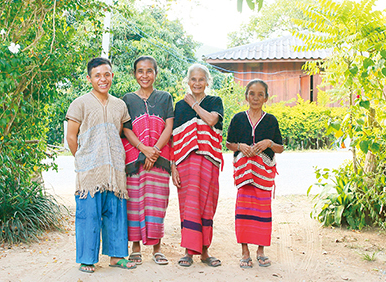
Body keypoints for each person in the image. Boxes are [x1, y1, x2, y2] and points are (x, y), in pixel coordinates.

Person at [65, 57, 137, 273]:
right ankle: (87, 259)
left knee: (115, 213)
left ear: (112, 76)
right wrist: (83, 159)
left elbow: (124, 132)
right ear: (89, 78)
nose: (102, 79)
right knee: (89, 215)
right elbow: (71, 136)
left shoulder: (120, 105)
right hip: (90, 172)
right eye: (97, 75)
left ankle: (117, 257)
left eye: (107, 75)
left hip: (114, 168)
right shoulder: (80, 103)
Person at [121, 56, 175, 266]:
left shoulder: (165, 98)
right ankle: (135, 247)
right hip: (135, 160)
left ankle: (157, 248)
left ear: (155, 73)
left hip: (159, 159)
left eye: (149, 71)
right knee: (133, 202)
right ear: (134, 74)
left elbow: (168, 127)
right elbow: (126, 128)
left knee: (157, 203)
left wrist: (155, 152)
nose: (145, 75)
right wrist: (143, 149)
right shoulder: (127, 99)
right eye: (140, 71)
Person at [226, 79, 284, 268]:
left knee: (262, 213)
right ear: (246, 96)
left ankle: (260, 250)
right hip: (244, 175)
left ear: (266, 98)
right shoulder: (238, 119)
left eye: (260, 94)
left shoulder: (271, 121)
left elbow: (280, 148)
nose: (256, 98)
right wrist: (240, 146)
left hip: (263, 176)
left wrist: (268, 143)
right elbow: (228, 144)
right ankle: (244, 251)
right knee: (243, 212)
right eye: (252, 93)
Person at [173, 63, 224, 267]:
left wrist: (193, 104)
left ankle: (204, 252)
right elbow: (174, 139)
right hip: (185, 163)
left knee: (207, 205)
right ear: (188, 81)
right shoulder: (179, 106)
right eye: (193, 79)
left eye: (201, 79)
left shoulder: (214, 101)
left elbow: (212, 120)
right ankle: (188, 251)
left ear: (207, 81)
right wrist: (173, 167)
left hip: (209, 161)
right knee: (188, 205)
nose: (196, 83)